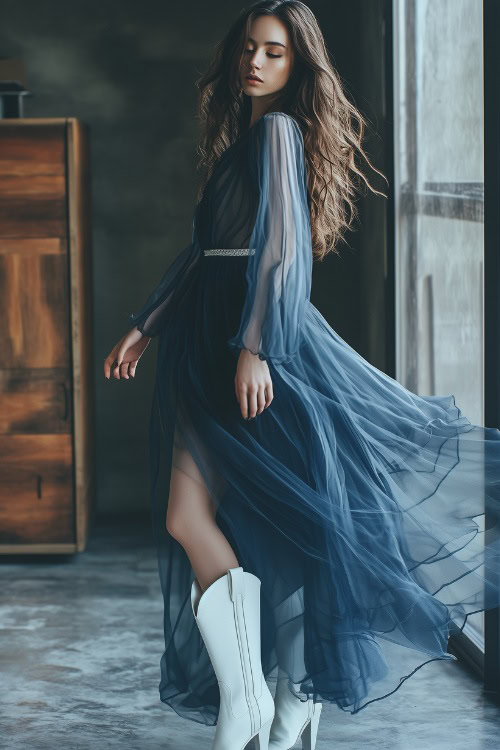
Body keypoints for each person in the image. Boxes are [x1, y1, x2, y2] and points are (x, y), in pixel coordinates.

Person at [104, 2, 500, 749]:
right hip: (205, 342)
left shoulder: (279, 132)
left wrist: (257, 347)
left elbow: (286, 251)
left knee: (250, 526)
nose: (255, 61)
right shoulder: (244, 140)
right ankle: (270, 699)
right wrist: (143, 325)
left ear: (296, 67)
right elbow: (206, 254)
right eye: (249, 48)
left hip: (252, 345)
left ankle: (268, 702)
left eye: (274, 52)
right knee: (222, 526)